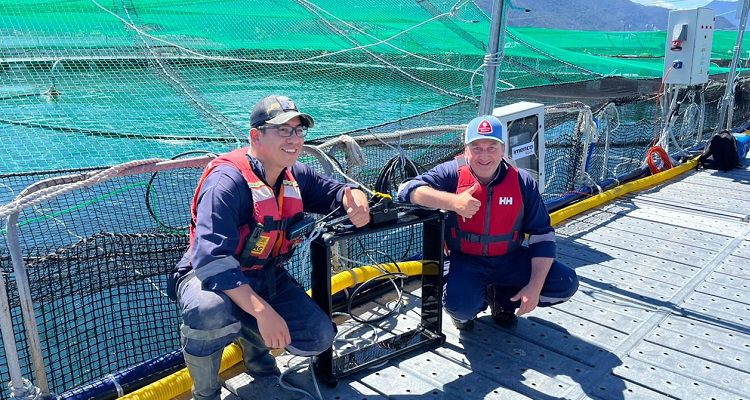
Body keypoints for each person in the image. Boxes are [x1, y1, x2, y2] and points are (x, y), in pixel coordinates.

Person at [170, 95, 371, 400]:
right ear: (256, 136)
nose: (294, 139)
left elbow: (336, 192)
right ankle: (205, 393)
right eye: (283, 130)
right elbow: (212, 261)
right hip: (207, 276)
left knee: (318, 336)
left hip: (264, 274)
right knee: (209, 311)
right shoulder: (226, 182)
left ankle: (255, 354)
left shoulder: (295, 175)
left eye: (299, 131)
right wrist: (263, 312)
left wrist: (354, 196)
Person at [397, 115, 578, 330]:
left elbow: (542, 234)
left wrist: (534, 286)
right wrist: (453, 202)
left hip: (509, 258)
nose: (484, 156)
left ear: (503, 150)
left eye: (492, 148)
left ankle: (502, 300)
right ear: (466, 150)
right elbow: (406, 190)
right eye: (476, 148)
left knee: (565, 283)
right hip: (464, 259)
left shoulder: (523, 182)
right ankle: (468, 309)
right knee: (460, 306)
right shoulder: (451, 173)